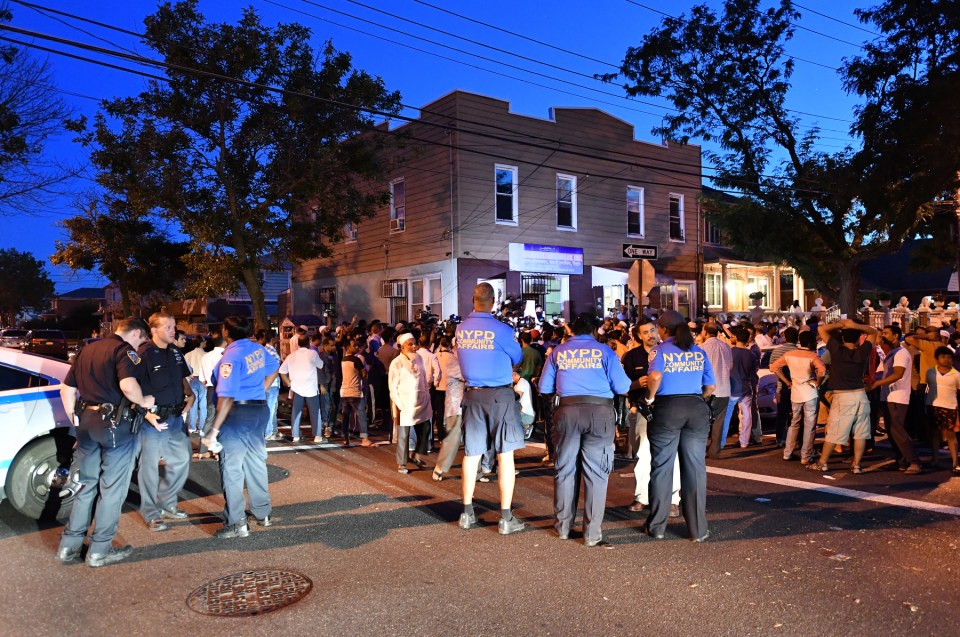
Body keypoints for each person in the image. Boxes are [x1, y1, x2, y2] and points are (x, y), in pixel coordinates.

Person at [55, 317, 156, 567]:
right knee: (112, 488)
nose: (141, 344)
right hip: (115, 426)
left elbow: (66, 390)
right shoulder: (124, 352)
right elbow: (128, 384)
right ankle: (100, 549)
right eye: (142, 339)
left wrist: (76, 419)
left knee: (85, 485)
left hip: (86, 423)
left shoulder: (86, 350)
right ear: (135, 333)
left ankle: (69, 546)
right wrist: (145, 401)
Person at [538, 313, 631, 546]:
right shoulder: (605, 352)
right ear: (594, 331)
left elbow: (544, 387)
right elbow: (622, 386)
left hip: (567, 412)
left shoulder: (559, 352)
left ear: (573, 331)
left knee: (565, 470)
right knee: (596, 474)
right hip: (599, 413)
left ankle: (562, 527)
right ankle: (591, 535)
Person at [454, 282, 526, 535]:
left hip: (472, 395)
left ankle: (467, 512)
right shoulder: (501, 329)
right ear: (493, 301)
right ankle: (506, 517)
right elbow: (518, 358)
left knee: (472, 453)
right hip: (499, 395)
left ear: (473, 300)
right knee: (505, 454)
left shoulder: (461, 330)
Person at [201, 316, 280, 538]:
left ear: (226, 331)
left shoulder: (231, 356)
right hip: (258, 409)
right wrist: (262, 388)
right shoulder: (257, 349)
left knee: (232, 468)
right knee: (256, 462)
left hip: (237, 413)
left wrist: (214, 430)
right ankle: (262, 513)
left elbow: (226, 396)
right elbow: (275, 366)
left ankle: (236, 523)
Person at [644, 310, 716, 542]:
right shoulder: (698, 351)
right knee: (695, 469)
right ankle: (697, 529)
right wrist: (698, 399)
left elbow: (655, 375)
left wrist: (650, 398)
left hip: (668, 409)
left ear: (663, 330)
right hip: (696, 407)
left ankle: (657, 527)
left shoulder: (660, 350)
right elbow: (711, 387)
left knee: (662, 468)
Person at [136, 312, 195, 532]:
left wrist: (191, 395)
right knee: (149, 467)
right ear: (154, 330)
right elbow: (131, 387)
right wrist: (145, 413)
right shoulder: (143, 354)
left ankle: (167, 502)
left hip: (176, 418)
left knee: (182, 459)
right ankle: (151, 513)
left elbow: (182, 379)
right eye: (168, 327)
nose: (173, 331)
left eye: (173, 326)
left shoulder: (175, 352)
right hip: (153, 420)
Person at [622, 320, 681, 517]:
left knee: (672, 455)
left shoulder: (670, 351)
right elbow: (622, 386)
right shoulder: (631, 357)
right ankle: (642, 496)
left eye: (653, 330)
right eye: (645, 332)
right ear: (639, 336)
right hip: (641, 410)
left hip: (668, 409)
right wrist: (636, 384)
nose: (650, 335)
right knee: (643, 455)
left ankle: (673, 499)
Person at [807, 319, 878, 473]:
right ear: (859, 337)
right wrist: (856, 326)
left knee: (834, 431)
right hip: (861, 395)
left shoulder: (837, 350)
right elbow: (874, 332)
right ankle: (856, 465)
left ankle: (822, 462)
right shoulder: (863, 350)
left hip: (843, 396)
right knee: (860, 433)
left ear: (843, 338)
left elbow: (822, 329)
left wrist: (842, 324)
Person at [871, 324, 922, 474]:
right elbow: (882, 373)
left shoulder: (901, 353)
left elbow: (898, 374)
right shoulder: (891, 353)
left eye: (886, 333)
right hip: (888, 396)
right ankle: (901, 461)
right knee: (892, 431)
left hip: (898, 397)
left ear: (895, 336)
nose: (883, 336)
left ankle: (915, 462)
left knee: (898, 431)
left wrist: (876, 383)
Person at [770, 330, 826, 465]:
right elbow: (822, 370)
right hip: (810, 392)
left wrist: (787, 382)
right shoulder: (813, 356)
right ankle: (805, 455)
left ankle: (787, 452)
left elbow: (773, 367)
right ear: (811, 342)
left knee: (794, 422)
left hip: (795, 391)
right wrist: (817, 382)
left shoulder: (789, 354)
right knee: (809, 425)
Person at [389, 333, 432, 473]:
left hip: (422, 402)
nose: (414, 347)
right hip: (405, 405)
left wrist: (426, 395)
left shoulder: (419, 358)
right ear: (402, 347)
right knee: (404, 435)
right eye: (410, 344)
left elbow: (424, 378)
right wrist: (400, 405)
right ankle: (402, 463)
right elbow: (393, 388)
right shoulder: (396, 363)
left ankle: (416, 455)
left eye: (415, 344)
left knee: (424, 430)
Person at [279, 334, 326, 444]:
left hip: (296, 387)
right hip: (311, 388)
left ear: (298, 343)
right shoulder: (313, 353)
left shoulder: (291, 356)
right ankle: (317, 436)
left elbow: (281, 371)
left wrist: (288, 383)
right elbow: (321, 365)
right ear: (308, 342)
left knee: (296, 412)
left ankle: (295, 435)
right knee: (315, 412)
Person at [699, 322, 732, 458]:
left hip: (707, 390)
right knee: (719, 421)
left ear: (706, 332)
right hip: (724, 388)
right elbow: (731, 366)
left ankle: (699, 449)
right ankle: (714, 451)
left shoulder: (701, 348)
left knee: (702, 420)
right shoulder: (726, 346)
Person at [925, 346, 960, 473]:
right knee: (934, 434)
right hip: (932, 406)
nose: (946, 360)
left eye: (949, 357)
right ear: (937, 358)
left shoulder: (956, 375)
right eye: (943, 357)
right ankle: (935, 459)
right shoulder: (930, 372)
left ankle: (955, 462)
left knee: (951, 435)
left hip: (950, 407)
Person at [339, 337, 370, 446]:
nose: (357, 347)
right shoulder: (356, 359)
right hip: (355, 391)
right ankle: (365, 439)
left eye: (357, 345)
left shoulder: (343, 360)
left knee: (346, 416)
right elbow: (364, 373)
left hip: (344, 391)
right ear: (347, 347)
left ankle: (345, 438)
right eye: (354, 345)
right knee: (361, 415)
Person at [257, 329, 283, 441]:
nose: (278, 338)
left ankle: (273, 431)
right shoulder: (272, 352)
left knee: (270, 407)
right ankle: (268, 432)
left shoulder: (262, 350)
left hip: (264, 383)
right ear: (273, 339)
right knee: (271, 408)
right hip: (272, 383)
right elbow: (276, 368)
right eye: (277, 336)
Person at [184, 335, 207, 435]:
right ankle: (202, 428)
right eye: (204, 341)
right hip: (203, 381)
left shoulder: (188, 355)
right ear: (201, 342)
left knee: (193, 404)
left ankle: (192, 427)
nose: (205, 342)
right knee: (203, 405)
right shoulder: (206, 355)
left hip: (192, 380)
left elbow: (185, 370)